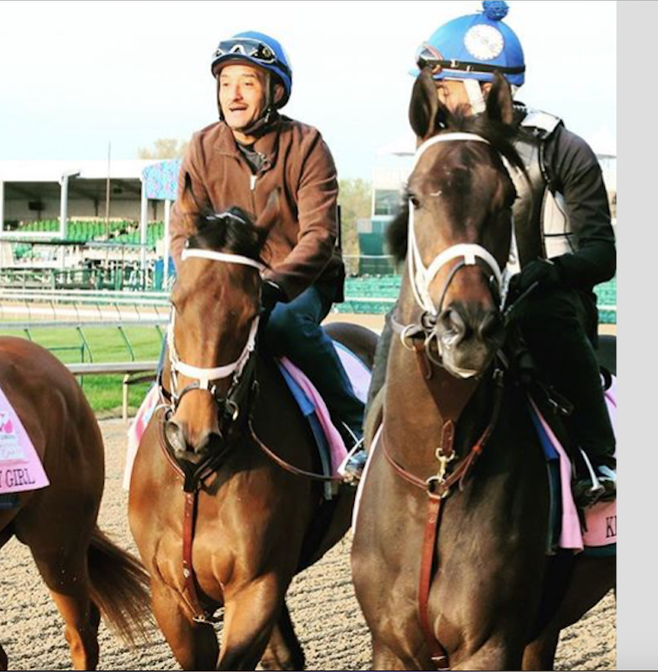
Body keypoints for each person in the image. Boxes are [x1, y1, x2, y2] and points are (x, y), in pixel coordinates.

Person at [358, 1, 616, 506]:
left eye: (447, 88)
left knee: (548, 318)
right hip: (465, 293)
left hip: (542, 296)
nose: (441, 99)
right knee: (399, 318)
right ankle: (366, 446)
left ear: (483, 88)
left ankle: (597, 457)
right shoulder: (441, 151)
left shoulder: (563, 148)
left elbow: (603, 255)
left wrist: (547, 273)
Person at [169, 31, 366, 451]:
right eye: (225, 84)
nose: (233, 96)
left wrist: (274, 285)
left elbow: (319, 236)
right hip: (224, 283)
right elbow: (184, 228)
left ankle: (355, 426)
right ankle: (157, 428)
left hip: (300, 282)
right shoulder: (202, 146)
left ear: (275, 91)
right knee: (182, 332)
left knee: (286, 324)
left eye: (247, 83)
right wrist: (192, 281)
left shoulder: (308, 145)